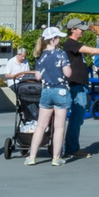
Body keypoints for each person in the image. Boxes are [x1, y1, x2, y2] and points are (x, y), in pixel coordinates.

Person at [27, 29, 76, 166]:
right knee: (59, 127)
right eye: (58, 38)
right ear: (53, 39)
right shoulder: (61, 54)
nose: (60, 40)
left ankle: (32, 157)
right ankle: (56, 157)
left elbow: (37, 76)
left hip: (46, 91)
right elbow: (67, 73)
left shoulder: (40, 55)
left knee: (41, 126)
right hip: (60, 90)